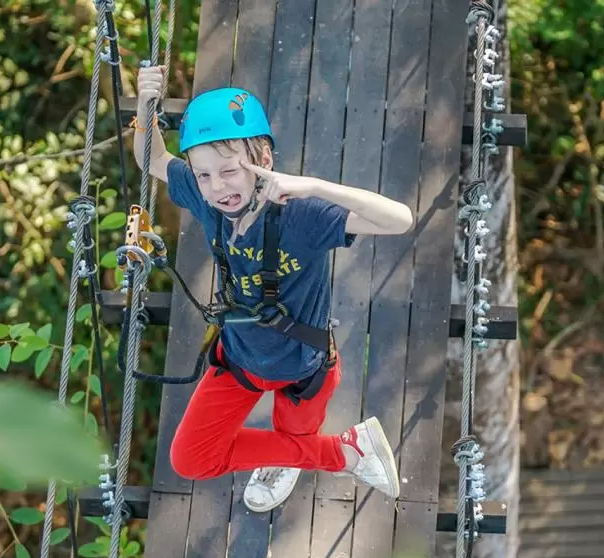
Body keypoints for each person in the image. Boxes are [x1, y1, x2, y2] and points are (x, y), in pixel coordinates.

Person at [131, 65, 414, 512]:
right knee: (190, 459)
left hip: (303, 368)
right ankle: (345, 451)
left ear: (263, 160)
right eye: (204, 176)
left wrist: (316, 186)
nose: (218, 187)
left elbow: (399, 220)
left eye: (229, 171)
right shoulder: (211, 205)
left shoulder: (302, 216)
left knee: (291, 437)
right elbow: (153, 159)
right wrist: (147, 105)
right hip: (239, 359)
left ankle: (287, 455)